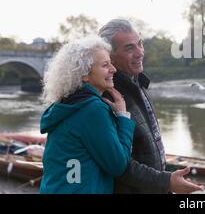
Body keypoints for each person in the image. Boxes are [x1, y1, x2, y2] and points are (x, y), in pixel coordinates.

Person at [99, 19, 203, 194]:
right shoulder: (108, 96)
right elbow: (119, 165)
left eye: (140, 44)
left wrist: (166, 181)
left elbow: (149, 150)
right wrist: (167, 182)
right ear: (109, 55)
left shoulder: (137, 83)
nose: (140, 53)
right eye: (129, 48)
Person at [39, 36, 135, 194]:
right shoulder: (93, 110)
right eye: (105, 65)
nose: (113, 69)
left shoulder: (65, 104)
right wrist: (123, 117)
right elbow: (118, 165)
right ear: (84, 74)